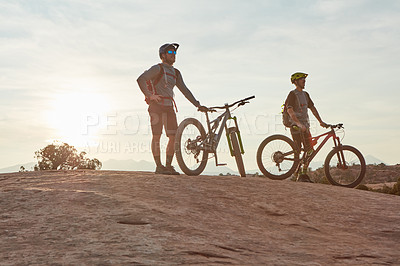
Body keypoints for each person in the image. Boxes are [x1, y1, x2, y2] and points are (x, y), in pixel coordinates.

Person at [137, 43, 205, 175]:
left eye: (175, 53)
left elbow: (185, 90)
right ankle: (159, 167)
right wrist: (150, 96)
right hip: (156, 106)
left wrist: (197, 104)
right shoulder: (158, 68)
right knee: (157, 136)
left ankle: (168, 166)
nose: (174, 55)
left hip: (169, 107)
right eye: (171, 53)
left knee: (173, 136)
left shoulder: (176, 72)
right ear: (163, 55)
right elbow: (141, 79)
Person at [285, 72, 327, 182]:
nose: (304, 81)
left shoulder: (305, 95)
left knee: (310, 151)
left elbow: (313, 108)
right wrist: (298, 123)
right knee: (298, 151)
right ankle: (298, 173)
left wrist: (320, 121)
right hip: (296, 125)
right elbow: (289, 110)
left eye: (304, 80)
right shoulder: (292, 94)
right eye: (302, 80)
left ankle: (303, 173)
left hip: (305, 126)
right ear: (296, 82)